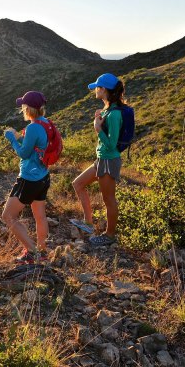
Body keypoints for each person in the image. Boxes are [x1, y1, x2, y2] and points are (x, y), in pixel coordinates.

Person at [71, 73, 125, 246]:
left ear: (104, 90)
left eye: (97, 87)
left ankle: (109, 236)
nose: (95, 90)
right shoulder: (108, 110)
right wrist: (99, 119)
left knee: (109, 200)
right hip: (101, 159)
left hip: (109, 160)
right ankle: (88, 223)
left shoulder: (115, 114)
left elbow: (111, 144)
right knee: (78, 184)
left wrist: (97, 129)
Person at [2, 91, 51, 264]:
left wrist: (12, 140)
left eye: (23, 106)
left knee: (8, 216)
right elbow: (36, 144)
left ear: (29, 108)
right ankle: (42, 251)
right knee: (40, 216)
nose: (22, 109)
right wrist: (20, 136)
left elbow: (23, 153)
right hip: (43, 176)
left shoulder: (33, 127)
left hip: (29, 178)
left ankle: (32, 252)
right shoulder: (45, 123)